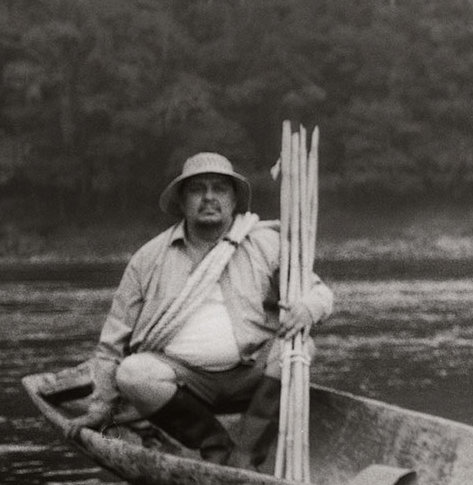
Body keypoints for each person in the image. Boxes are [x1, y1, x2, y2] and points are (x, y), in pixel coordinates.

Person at [72, 151, 333, 468]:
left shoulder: (266, 244)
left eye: (219, 188)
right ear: (182, 201)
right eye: (197, 189)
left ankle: (247, 451)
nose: (209, 198)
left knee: (299, 347)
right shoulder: (149, 258)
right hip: (184, 383)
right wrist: (101, 406)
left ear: (233, 200)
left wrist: (307, 308)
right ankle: (216, 446)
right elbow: (113, 339)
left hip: (250, 374)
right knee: (133, 373)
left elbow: (319, 292)